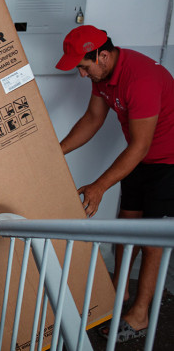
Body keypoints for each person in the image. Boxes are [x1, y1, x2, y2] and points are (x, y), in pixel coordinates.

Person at [55, 24, 174, 343]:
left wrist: (99, 186)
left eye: (84, 67)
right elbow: (93, 119)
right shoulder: (103, 78)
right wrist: (56, 153)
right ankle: (119, 295)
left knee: (152, 240)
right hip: (140, 159)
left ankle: (140, 315)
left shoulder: (141, 79)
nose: (82, 74)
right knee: (125, 229)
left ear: (103, 56)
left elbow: (141, 145)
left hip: (168, 162)